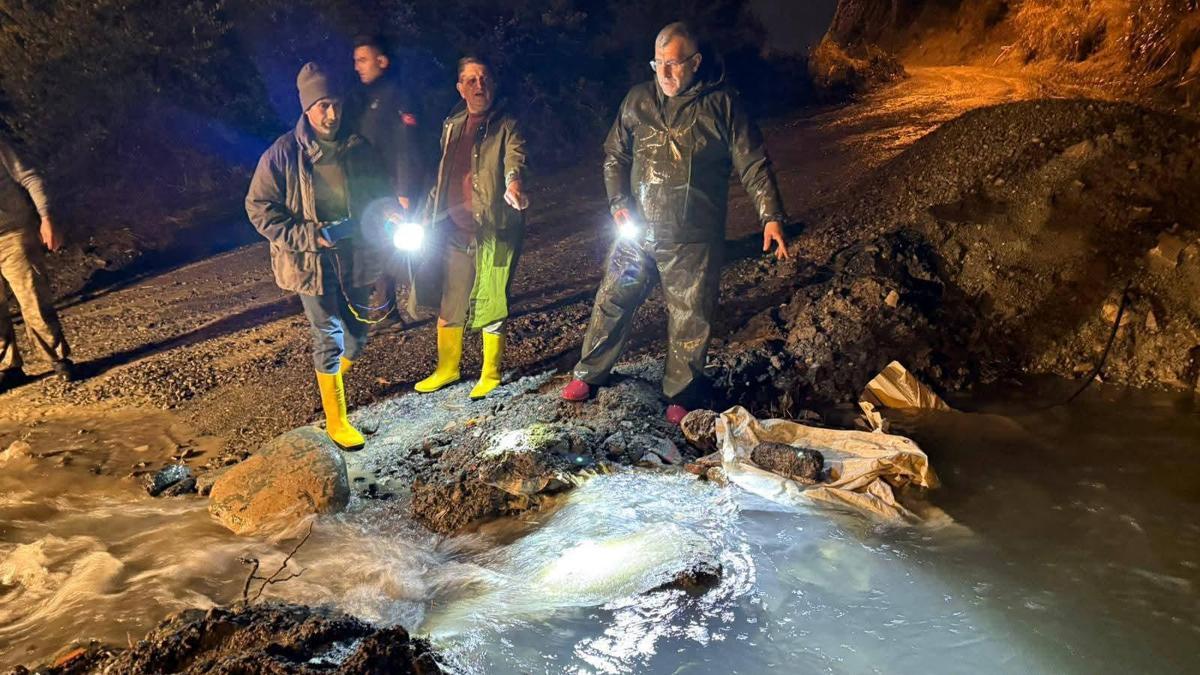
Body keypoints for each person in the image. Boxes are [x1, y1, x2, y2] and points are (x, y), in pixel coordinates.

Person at [561, 22, 790, 425]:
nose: (664, 74)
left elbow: (752, 162)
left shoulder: (723, 104)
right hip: (637, 232)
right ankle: (590, 372)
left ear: (695, 62)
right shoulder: (637, 101)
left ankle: (681, 392)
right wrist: (618, 204)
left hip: (693, 238)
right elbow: (615, 154)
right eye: (658, 64)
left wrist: (770, 215)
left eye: (674, 64)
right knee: (612, 300)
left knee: (689, 316)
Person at [245, 62, 392, 450]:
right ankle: (336, 421)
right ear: (307, 108)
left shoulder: (357, 147)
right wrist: (309, 235)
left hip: (354, 252)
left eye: (336, 104)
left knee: (358, 335)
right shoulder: (281, 155)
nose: (332, 114)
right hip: (309, 260)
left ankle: (331, 384)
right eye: (322, 105)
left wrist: (388, 209)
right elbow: (259, 208)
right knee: (327, 334)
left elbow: (379, 190)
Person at [409, 56, 528, 400]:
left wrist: (514, 182)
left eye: (485, 78)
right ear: (460, 88)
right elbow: (443, 172)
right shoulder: (453, 124)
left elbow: (515, 158)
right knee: (452, 300)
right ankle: (448, 369)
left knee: (492, 297)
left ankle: (490, 372)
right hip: (452, 229)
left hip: (492, 228)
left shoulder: (506, 124)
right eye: (471, 80)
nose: (480, 86)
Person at [349, 34, 426, 326]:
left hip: (395, 189)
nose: (357, 66)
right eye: (355, 60)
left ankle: (436, 301)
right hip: (374, 190)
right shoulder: (366, 99)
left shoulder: (398, 95)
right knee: (379, 247)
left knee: (402, 248)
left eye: (363, 59)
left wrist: (404, 190)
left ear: (382, 61)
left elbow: (407, 144)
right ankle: (387, 310)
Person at [0, 135, 74, 393]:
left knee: (33, 298)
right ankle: (7, 368)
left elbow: (28, 177)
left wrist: (46, 217)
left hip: (12, 233)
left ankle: (58, 359)